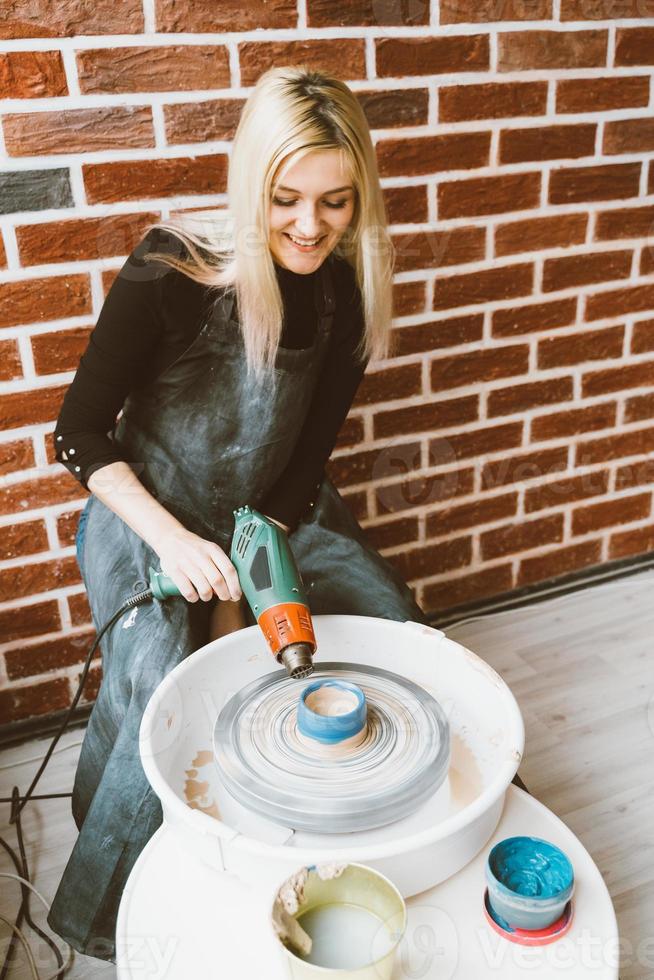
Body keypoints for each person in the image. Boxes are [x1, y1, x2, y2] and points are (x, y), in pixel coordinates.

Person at [46, 65, 432, 962]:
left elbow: (305, 466)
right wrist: (178, 547)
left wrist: (246, 595)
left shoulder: (344, 292)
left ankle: (387, 851)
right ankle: (104, 919)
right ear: (250, 179)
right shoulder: (169, 269)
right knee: (161, 681)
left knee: (398, 623)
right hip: (146, 514)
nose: (309, 227)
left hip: (272, 515)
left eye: (337, 203)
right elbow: (75, 437)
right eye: (285, 198)